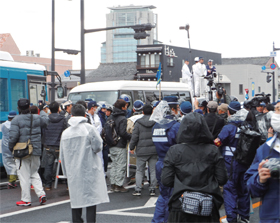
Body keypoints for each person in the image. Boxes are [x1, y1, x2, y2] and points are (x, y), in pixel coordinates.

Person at [161, 112, 228, 222]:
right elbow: (222, 179)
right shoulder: (213, 150)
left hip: (180, 204)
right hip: (207, 205)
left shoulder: (174, 150)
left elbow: (166, 180)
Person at [59, 104, 109, 223]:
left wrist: (65, 173)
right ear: (84, 114)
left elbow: (62, 155)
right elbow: (98, 146)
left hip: (73, 170)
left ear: (71, 115)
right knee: (91, 199)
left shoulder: (66, 133)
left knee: (76, 199)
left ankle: (77, 221)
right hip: (89, 168)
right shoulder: (89, 128)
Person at [214, 101, 250, 223]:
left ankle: (232, 218)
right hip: (244, 162)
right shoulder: (247, 126)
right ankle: (244, 217)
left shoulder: (228, 128)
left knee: (229, 190)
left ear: (229, 112)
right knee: (243, 189)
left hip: (230, 163)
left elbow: (217, 143)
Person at [244, 102, 280, 223]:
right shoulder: (265, 149)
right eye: (277, 110)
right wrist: (260, 180)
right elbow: (250, 187)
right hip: (272, 217)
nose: (277, 114)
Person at [9, 98, 48, 206]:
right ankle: (41, 194)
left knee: (24, 176)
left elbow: (13, 137)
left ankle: (26, 199)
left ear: (18, 108)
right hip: (35, 150)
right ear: (29, 107)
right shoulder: (37, 117)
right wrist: (41, 110)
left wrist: (11, 148)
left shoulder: (16, 120)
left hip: (22, 152)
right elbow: (46, 122)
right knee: (34, 173)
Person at [150, 96, 181, 223]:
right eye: (177, 108)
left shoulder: (156, 126)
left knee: (163, 196)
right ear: (172, 109)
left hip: (160, 162)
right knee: (173, 196)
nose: (178, 110)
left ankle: (157, 221)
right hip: (173, 165)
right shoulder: (176, 126)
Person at [129, 104, 157, 196]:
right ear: (152, 112)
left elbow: (134, 137)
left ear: (143, 112)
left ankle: (138, 189)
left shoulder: (138, 123)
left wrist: (131, 147)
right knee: (153, 170)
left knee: (139, 170)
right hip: (153, 149)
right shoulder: (155, 122)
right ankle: (152, 189)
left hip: (141, 150)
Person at [42, 101, 67, 190]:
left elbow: (43, 132)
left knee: (48, 165)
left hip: (48, 145)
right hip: (59, 145)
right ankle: (68, 185)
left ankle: (48, 185)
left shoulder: (46, 119)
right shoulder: (63, 119)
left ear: (49, 109)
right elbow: (65, 131)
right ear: (58, 109)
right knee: (64, 165)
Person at [109, 99, 132, 193]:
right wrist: (131, 136)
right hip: (120, 144)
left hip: (111, 143)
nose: (126, 108)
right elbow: (123, 132)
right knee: (121, 165)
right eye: (126, 106)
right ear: (123, 107)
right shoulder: (122, 118)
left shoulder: (111, 116)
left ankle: (113, 184)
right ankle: (119, 185)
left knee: (114, 165)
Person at [2, 111, 18, 189]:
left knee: (8, 165)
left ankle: (11, 181)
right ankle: (13, 181)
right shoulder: (15, 126)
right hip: (13, 147)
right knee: (15, 164)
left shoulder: (3, 125)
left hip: (5, 148)